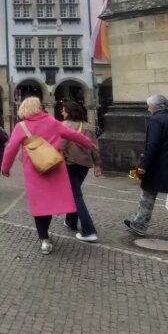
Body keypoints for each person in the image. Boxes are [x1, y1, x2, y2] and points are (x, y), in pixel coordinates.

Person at [1, 96, 93, 255]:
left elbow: (11, 148)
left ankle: (44, 240)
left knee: (39, 205)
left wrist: (5, 168)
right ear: (39, 107)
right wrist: (89, 144)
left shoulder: (21, 126)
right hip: (55, 167)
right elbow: (73, 135)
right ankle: (45, 236)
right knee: (49, 204)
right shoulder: (52, 121)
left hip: (34, 171)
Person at [124, 95, 168, 248]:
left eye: (149, 106)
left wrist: (143, 165)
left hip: (159, 166)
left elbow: (153, 145)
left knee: (147, 197)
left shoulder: (156, 120)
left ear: (155, 107)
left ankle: (139, 225)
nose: (148, 109)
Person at [60, 100, 103, 243]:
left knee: (76, 195)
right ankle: (70, 221)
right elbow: (94, 147)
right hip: (84, 165)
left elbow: (59, 146)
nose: (62, 112)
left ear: (69, 111)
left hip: (70, 163)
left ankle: (88, 230)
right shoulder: (89, 126)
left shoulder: (64, 126)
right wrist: (97, 165)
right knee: (74, 192)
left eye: (64, 110)